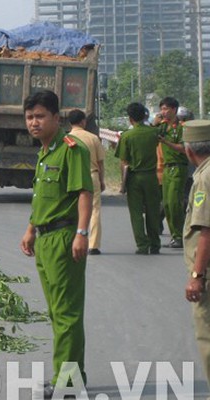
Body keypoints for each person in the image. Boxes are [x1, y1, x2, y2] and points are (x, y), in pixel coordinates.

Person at [19, 90, 92, 399]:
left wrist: (81, 233)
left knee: (66, 314)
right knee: (56, 312)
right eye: (29, 117)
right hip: (45, 238)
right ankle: (73, 375)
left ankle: (67, 381)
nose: (33, 122)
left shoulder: (70, 149)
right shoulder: (45, 151)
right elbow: (43, 198)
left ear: (56, 118)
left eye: (39, 116)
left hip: (64, 238)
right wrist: (30, 229)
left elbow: (83, 193)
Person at [180, 119, 210, 393]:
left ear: (189, 151)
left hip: (208, 271)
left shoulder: (204, 178)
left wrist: (197, 276)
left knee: (207, 335)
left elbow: (206, 231)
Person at [115, 103, 161, 255]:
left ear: (130, 119)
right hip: (151, 177)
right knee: (153, 211)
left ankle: (142, 245)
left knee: (136, 213)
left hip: (134, 178)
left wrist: (123, 184)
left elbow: (123, 162)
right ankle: (155, 244)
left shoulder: (126, 136)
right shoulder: (153, 133)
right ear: (145, 115)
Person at [68, 109, 106, 255]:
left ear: (70, 122)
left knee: (73, 209)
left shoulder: (66, 140)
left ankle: (74, 240)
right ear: (83, 121)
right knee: (94, 209)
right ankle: (93, 245)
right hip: (92, 176)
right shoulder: (93, 138)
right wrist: (102, 180)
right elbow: (100, 162)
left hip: (73, 177)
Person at [158, 97, 188, 249]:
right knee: (168, 204)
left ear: (174, 109)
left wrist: (166, 142)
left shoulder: (181, 128)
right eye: (162, 109)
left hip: (178, 167)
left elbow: (183, 148)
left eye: (166, 109)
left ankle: (180, 235)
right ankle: (175, 236)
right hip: (166, 168)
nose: (164, 112)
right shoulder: (162, 127)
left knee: (175, 202)